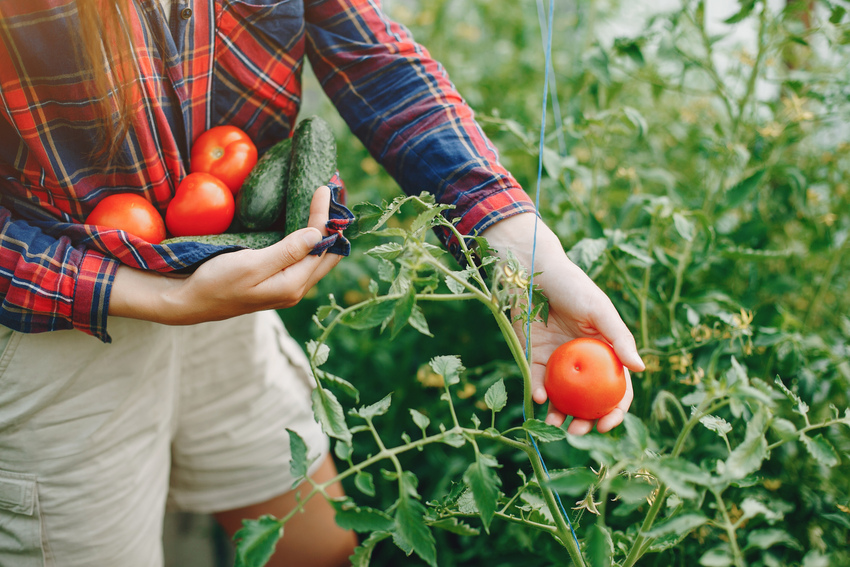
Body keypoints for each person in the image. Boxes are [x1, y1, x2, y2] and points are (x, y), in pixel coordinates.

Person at [0, 1, 645, 566]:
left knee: (317, 547)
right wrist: (159, 297)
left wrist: (522, 246)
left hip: (221, 279)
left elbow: (372, 53)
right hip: (55, 320)